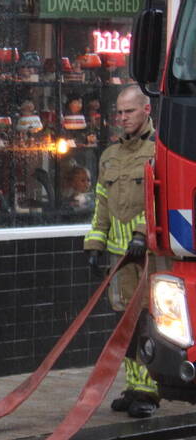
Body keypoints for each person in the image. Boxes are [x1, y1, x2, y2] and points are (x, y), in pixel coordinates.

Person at [84, 85, 158, 419]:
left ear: (146, 111)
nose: (122, 118)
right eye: (119, 112)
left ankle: (148, 389)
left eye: (129, 111)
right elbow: (101, 205)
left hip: (148, 258)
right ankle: (133, 386)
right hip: (118, 259)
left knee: (145, 322)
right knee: (121, 326)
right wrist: (95, 245)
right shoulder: (109, 156)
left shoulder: (158, 152)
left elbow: (161, 198)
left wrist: (142, 234)